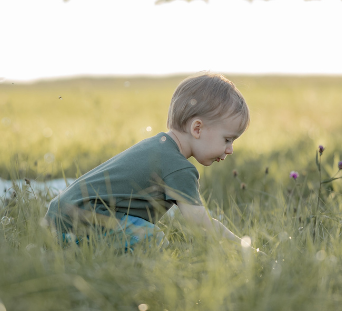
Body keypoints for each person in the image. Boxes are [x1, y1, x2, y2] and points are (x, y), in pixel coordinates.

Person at [45, 72, 254, 251]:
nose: (230, 149)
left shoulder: (157, 146)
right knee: (153, 241)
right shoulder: (178, 167)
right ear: (197, 128)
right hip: (80, 218)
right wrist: (243, 248)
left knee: (145, 236)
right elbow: (199, 222)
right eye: (227, 139)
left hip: (61, 214)